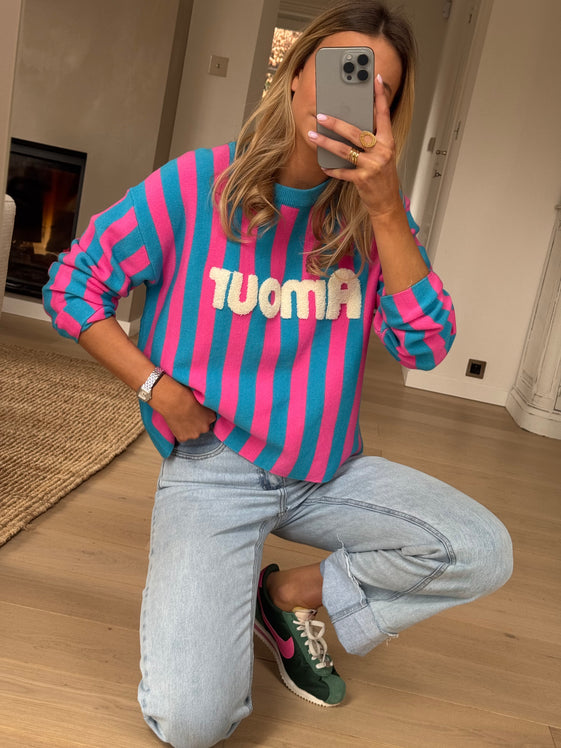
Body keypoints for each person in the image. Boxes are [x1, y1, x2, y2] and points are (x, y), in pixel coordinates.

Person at [43, 2, 513, 746]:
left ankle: (287, 596)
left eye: (378, 91)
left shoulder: (377, 218)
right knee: (192, 724)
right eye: (342, 73)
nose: (352, 99)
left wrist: (385, 209)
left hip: (326, 470)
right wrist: (155, 388)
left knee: (481, 549)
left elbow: (424, 347)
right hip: (214, 468)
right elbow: (74, 286)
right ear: (295, 75)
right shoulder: (197, 185)